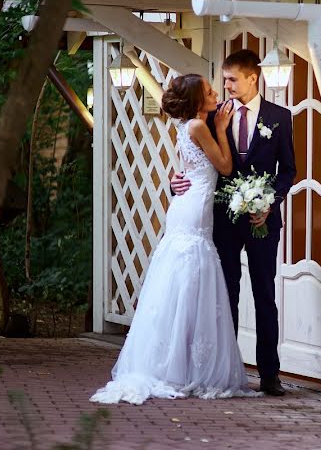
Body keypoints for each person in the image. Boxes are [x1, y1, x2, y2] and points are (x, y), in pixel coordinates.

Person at [91, 74, 260, 404]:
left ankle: (178, 362)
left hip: (187, 205)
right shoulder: (198, 127)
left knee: (182, 281)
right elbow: (225, 166)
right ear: (198, 100)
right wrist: (223, 131)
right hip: (194, 208)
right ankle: (181, 367)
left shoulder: (189, 126)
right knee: (190, 277)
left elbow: (190, 167)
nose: (215, 94)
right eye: (210, 91)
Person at [171, 50, 296, 397]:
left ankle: (270, 374)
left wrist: (269, 203)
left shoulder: (280, 117)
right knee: (225, 295)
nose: (225, 86)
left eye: (231, 79)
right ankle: (227, 370)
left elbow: (287, 170)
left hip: (262, 221)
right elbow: (190, 160)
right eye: (223, 80)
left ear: (252, 78)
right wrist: (174, 180)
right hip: (221, 220)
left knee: (264, 296)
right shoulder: (211, 117)